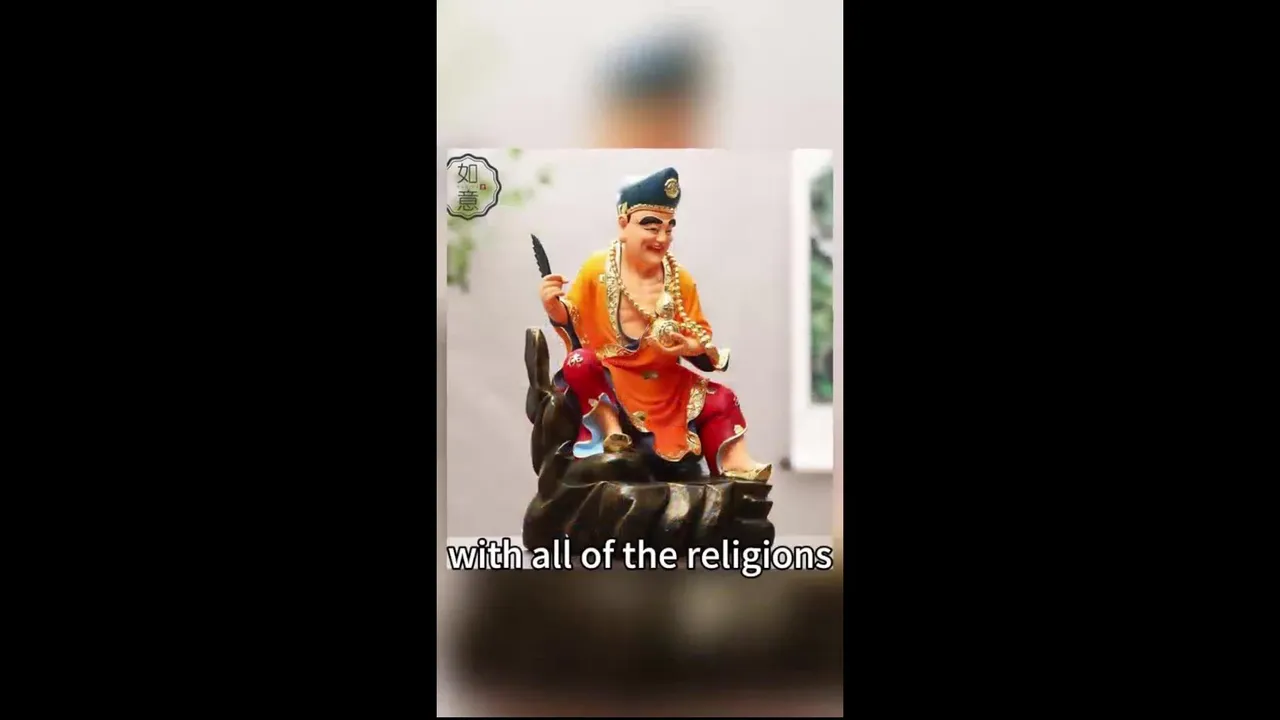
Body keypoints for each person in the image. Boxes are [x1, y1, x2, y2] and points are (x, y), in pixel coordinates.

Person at [537, 167, 770, 480]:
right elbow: (573, 317)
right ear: (624, 225)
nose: (662, 239)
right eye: (651, 227)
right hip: (613, 375)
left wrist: (688, 346)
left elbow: (701, 336)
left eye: (669, 229)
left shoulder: (680, 279)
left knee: (722, 398)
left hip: (665, 382)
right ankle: (610, 431)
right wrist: (553, 305)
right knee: (578, 363)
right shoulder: (598, 269)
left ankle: (732, 463)